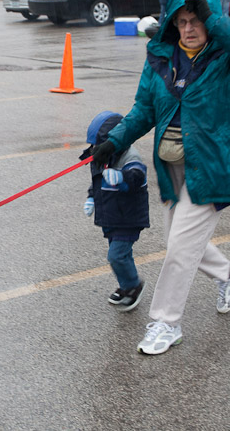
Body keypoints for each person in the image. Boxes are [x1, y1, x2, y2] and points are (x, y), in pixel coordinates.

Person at [90, 0, 230, 355]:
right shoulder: (161, 58)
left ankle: (165, 323)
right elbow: (144, 109)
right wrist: (114, 142)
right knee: (182, 242)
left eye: (197, 19)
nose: (189, 28)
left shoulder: (228, 60)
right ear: (172, 21)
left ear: (209, 19)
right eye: (182, 21)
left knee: (179, 249)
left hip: (213, 167)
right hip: (173, 168)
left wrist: (218, 20)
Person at [80, 111, 151, 311]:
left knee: (116, 256)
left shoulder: (129, 156)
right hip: (112, 215)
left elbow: (137, 176)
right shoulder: (100, 156)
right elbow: (96, 180)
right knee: (121, 255)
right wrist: (92, 198)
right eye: (92, 144)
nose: (94, 148)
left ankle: (134, 286)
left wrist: (122, 177)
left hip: (128, 216)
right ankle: (125, 285)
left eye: (97, 143)